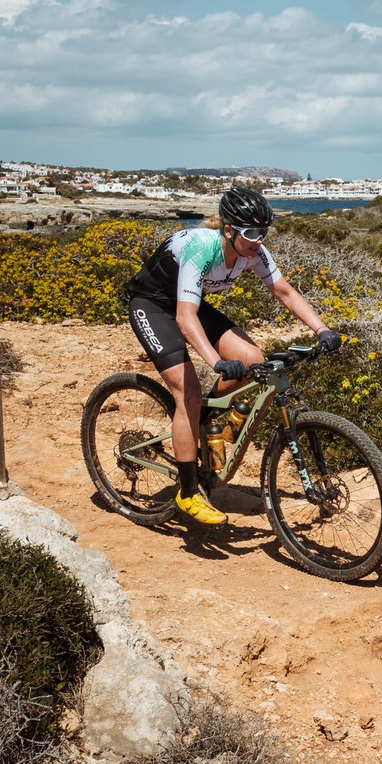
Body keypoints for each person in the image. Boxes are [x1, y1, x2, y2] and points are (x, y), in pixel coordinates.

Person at [124, 187, 341, 525]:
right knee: (189, 393)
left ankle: (203, 419)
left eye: (263, 232)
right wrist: (216, 362)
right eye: (251, 232)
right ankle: (187, 492)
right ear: (228, 230)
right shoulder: (202, 248)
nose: (258, 240)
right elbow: (184, 318)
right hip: (152, 305)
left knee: (255, 361)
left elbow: (283, 291)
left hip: (190, 307)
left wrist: (322, 330)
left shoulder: (253, 251)